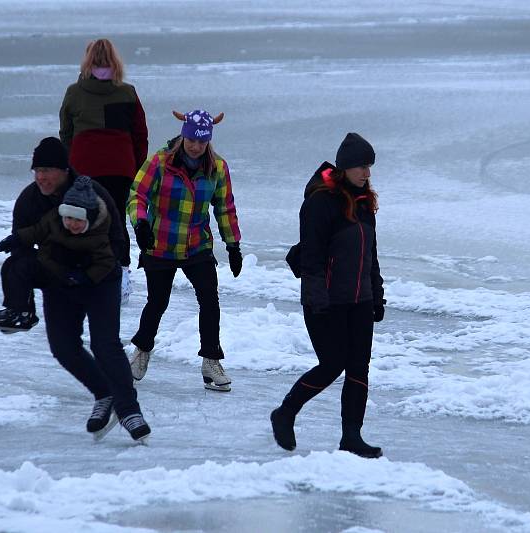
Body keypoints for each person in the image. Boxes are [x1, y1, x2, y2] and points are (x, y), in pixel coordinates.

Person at [0, 137, 150, 442]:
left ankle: (129, 410)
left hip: (99, 278)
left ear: (64, 169)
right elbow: (23, 247)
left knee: (105, 346)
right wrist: (30, 295)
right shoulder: (30, 200)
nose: (41, 177)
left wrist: (92, 274)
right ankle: (103, 393)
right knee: (63, 347)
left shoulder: (94, 194)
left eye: (48, 169)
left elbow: (117, 242)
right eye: (36, 170)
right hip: (59, 278)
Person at [270, 132, 386, 458]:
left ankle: (352, 436)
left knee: (359, 368)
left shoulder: (365, 203)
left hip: (360, 300)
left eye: (370, 166)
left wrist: (376, 294)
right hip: (327, 301)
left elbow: (371, 255)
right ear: (345, 167)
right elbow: (312, 258)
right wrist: (317, 298)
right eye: (362, 166)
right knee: (333, 364)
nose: (367, 173)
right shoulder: (321, 202)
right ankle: (286, 412)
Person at [127, 110, 243, 392]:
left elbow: (224, 206)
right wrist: (140, 222)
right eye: (191, 139)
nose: (195, 146)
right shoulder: (160, 162)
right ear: (183, 136)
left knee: (209, 300)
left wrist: (233, 244)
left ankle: (211, 360)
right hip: (161, 242)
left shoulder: (216, 167)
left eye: (202, 142)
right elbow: (137, 194)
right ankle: (142, 351)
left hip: (196, 244)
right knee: (158, 302)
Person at [59, 38, 149, 305]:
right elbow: (140, 135)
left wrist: (69, 167)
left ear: (86, 61)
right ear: (116, 61)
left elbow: (66, 134)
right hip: (120, 168)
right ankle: (120, 277)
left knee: (81, 222)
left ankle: (84, 275)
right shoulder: (128, 92)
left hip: (83, 168)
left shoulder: (74, 92)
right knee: (116, 222)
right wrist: (135, 167)